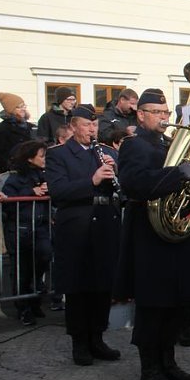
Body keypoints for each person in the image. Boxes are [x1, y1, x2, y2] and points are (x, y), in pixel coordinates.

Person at [116, 89, 190, 380]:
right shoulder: (134, 144)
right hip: (148, 235)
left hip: (173, 234)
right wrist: (178, 174)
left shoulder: (168, 144)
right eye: (157, 112)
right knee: (153, 306)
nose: (164, 118)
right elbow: (134, 184)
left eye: (166, 112)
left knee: (174, 304)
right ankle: (150, 368)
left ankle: (169, 362)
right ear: (141, 115)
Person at [45, 104, 121, 366]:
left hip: (105, 223)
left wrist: (115, 172)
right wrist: (93, 180)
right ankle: (80, 342)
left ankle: (97, 337)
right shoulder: (59, 154)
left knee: (103, 285)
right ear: (73, 126)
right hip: (77, 226)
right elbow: (58, 191)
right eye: (87, 125)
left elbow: (120, 189)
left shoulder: (107, 152)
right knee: (78, 287)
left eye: (95, 125)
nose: (92, 129)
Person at [0, 140, 51, 326]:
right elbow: (7, 200)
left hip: (40, 226)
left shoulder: (43, 175)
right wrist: (31, 191)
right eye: (41, 156)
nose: (44, 159)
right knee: (21, 269)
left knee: (44, 256)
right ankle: (24, 307)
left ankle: (34, 295)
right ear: (30, 158)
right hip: (20, 229)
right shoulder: (15, 178)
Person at [0, 92, 35, 188]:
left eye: (24, 105)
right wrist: (10, 165)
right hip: (12, 175)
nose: (23, 109)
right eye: (19, 107)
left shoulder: (30, 127)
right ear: (11, 110)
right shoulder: (1, 130)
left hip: (31, 171)